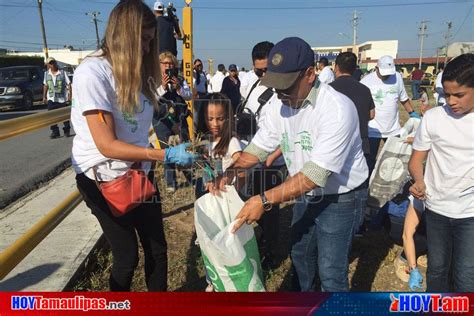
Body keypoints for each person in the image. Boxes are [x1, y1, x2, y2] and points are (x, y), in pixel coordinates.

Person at [211, 37, 369, 292]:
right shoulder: (279, 104)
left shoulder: (337, 110)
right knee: (300, 255)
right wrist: (229, 173)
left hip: (341, 196)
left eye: (286, 87)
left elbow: (315, 175)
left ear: (309, 74)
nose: (280, 94)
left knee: (330, 270)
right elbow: (258, 148)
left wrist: (263, 200)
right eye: (275, 87)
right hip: (304, 192)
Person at [71, 0, 196, 292]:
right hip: (102, 179)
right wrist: (163, 154)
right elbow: (107, 145)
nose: (145, 48)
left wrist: (174, 121)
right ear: (123, 34)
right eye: (142, 40)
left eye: (150, 42)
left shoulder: (140, 72)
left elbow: (151, 109)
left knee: (157, 249)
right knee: (127, 255)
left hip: (138, 174)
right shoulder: (93, 73)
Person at [409, 53, 474, 292]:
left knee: (466, 274)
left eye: (459, 95)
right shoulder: (434, 118)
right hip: (436, 208)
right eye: (447, 95)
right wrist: (418, 180)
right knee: (437, 270)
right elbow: (416, 160)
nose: (452, 101)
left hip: (470, 213)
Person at [239, 41, 286, 269]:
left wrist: (272, 155)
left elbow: (289, 131)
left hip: (272, 161)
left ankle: (270, 253)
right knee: (251, 200)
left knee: (270, 209)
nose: (265, 74)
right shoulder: (251, 84)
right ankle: (255, 243)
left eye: (268, 69)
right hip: (252, 155)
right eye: (259, 70)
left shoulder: (284, 90)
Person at [329, 52, 376, 232]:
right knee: (359, 187)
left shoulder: (329, 89)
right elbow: (372, 114)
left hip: (336, 147)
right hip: (361, 145)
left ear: (336, 68)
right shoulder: (364, 89)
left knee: (337, 189)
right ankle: (358, 226)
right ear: (355, 68)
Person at [361, 55, 419, 176]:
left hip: (393, 129)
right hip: (373, 130)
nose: (387, 76)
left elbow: (403, 98)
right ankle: (367, 187)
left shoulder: (397, 77)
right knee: (369, 161)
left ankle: (392, 187)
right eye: (384, 73)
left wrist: (412, 114)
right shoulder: (366, 81)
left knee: (395, 161)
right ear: (376, 68)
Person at [152, 51, 192, 192]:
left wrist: (179, 88)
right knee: (167, 150)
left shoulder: (180, 79)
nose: (168, 66)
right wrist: (162, 87)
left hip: (179, 118)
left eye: (171, 64)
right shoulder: (154, 79)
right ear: (159, 65)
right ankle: (171, 181)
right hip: (162, 120)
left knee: (185, 146)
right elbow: (151, 98)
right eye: (165, 64)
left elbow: (189, 95)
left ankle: (189, 175)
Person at [43, 57, 72, 138]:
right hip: (51, 98)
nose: (52, 65)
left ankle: (66, 131)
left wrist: (70, 96)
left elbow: (69, 84)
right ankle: (55, 132)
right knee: (52, 116)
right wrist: (44, 96)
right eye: (50, 63)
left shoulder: (63, 73)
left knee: (64, 116)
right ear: (48, 65)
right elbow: (45, 85)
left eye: (53, 63)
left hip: (62, 98)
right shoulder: (46, 74)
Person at [192, 59, 208, 132]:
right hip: (197, 95)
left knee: (203, 113)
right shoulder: (194, 73)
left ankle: (202, 129)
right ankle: (195, 130)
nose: (199, 66)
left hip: (204, 95)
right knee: (196, 113)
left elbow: (205, 84)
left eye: (200, 65)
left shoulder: (203, 73)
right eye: (198, 65)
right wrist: (193, 67)